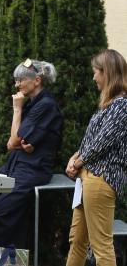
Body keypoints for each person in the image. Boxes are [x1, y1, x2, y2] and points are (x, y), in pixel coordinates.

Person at [0, 59, 63, 248]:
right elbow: (16, 143)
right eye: (16, 80)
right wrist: (20, 142)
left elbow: (12, 142)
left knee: (1, 211)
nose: (17, 84)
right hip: (15, 165)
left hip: (32, 170)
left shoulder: (45, 105)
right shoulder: (32, 104)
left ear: (37, 80)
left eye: (21, 80)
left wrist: (17, 109)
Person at [65, 49, 127, 266]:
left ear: (107, 73)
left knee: (101, 245)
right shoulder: (108, 106)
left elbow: (102, 142)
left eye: (96, 72)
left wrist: (78, 162)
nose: (93, 77)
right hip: (87, 178)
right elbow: (89, 142)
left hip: (101, 180)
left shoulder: (122, 106)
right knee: (77, 241)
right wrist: (74, 160)